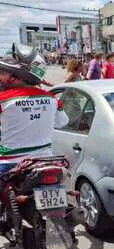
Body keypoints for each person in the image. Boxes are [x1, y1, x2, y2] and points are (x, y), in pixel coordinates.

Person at [0, 43, 69, 175]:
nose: (0, 78)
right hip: (46, 160)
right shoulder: (53, 99)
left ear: (15, 77)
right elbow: (62, 123)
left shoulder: (3, 99)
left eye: (3, 73)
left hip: (10, 162)